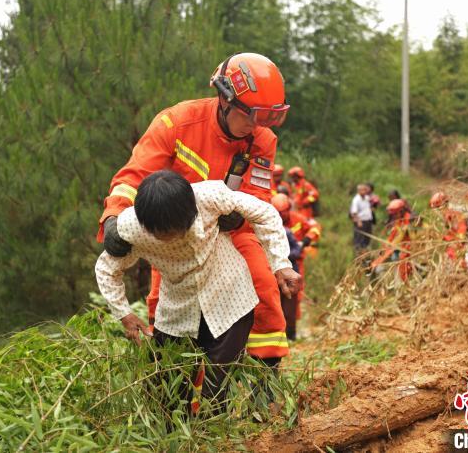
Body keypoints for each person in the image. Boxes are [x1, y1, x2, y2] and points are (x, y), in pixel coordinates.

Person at [96, 52, 294, 364]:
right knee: (162, 300)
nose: (258, 127)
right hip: (176, 229)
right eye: (252, 116)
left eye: (268, 118)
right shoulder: (175, 123)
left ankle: (264, 379)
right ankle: (174, 381)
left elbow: (258, 195)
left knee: (263, 285)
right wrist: (114, 216)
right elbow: (134, 175)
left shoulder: (263, 139)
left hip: (231, 230)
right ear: (225, 99)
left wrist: (238, 218)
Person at [95, 171, 300, 412]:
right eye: (163, 232)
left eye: (177, 228)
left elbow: (264, 213)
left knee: (216, 388)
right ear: (146, 225)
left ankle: (213, 433)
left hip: (230, 298)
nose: (172, 237)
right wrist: (125, 314)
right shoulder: (131, 227)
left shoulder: (210, 196)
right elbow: (106, 269)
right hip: (177, 309)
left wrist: (281, 264)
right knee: (168, 387)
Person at [271, 193, 321, 340]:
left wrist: (305, 241)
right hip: (275, 265)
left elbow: (315, 227)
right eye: (278, 212)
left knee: (294, 297)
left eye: (283, 211)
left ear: (289, 208)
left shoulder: (297, 218)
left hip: (295, 263)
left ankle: (291, 331)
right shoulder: (269, 221)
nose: (281, 215)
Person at [371, 199, 412, 282]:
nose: (394, 216)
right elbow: (392, 236)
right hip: (398, 249)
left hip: (408, 250)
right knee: (379, 267)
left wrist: (391, 245)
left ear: (401, 211)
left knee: (397, 260)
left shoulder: (409, 219)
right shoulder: (398, 221)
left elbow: (401, 236)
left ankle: (401, 284)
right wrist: (385, 246)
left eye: (395, 213)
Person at [430, 192, 468, 267]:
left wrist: (456, 243)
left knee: (458, 265)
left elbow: (462, 231)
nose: (438, 212)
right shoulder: (442, 218)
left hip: (456, 246)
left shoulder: (455, 216)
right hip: (449, 246)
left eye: (438, 209)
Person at [350, 184, 373, 255]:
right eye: (363, 190)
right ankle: (358, 255)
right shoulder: (356, 200)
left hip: (368, 221)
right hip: (361, 222)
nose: (365, 191)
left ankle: (365, 253)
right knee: (359, 239)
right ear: (359, 191)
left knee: (367, 238)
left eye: (365, 189)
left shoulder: (366, 198)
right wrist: (359, 221)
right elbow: (354, 212)